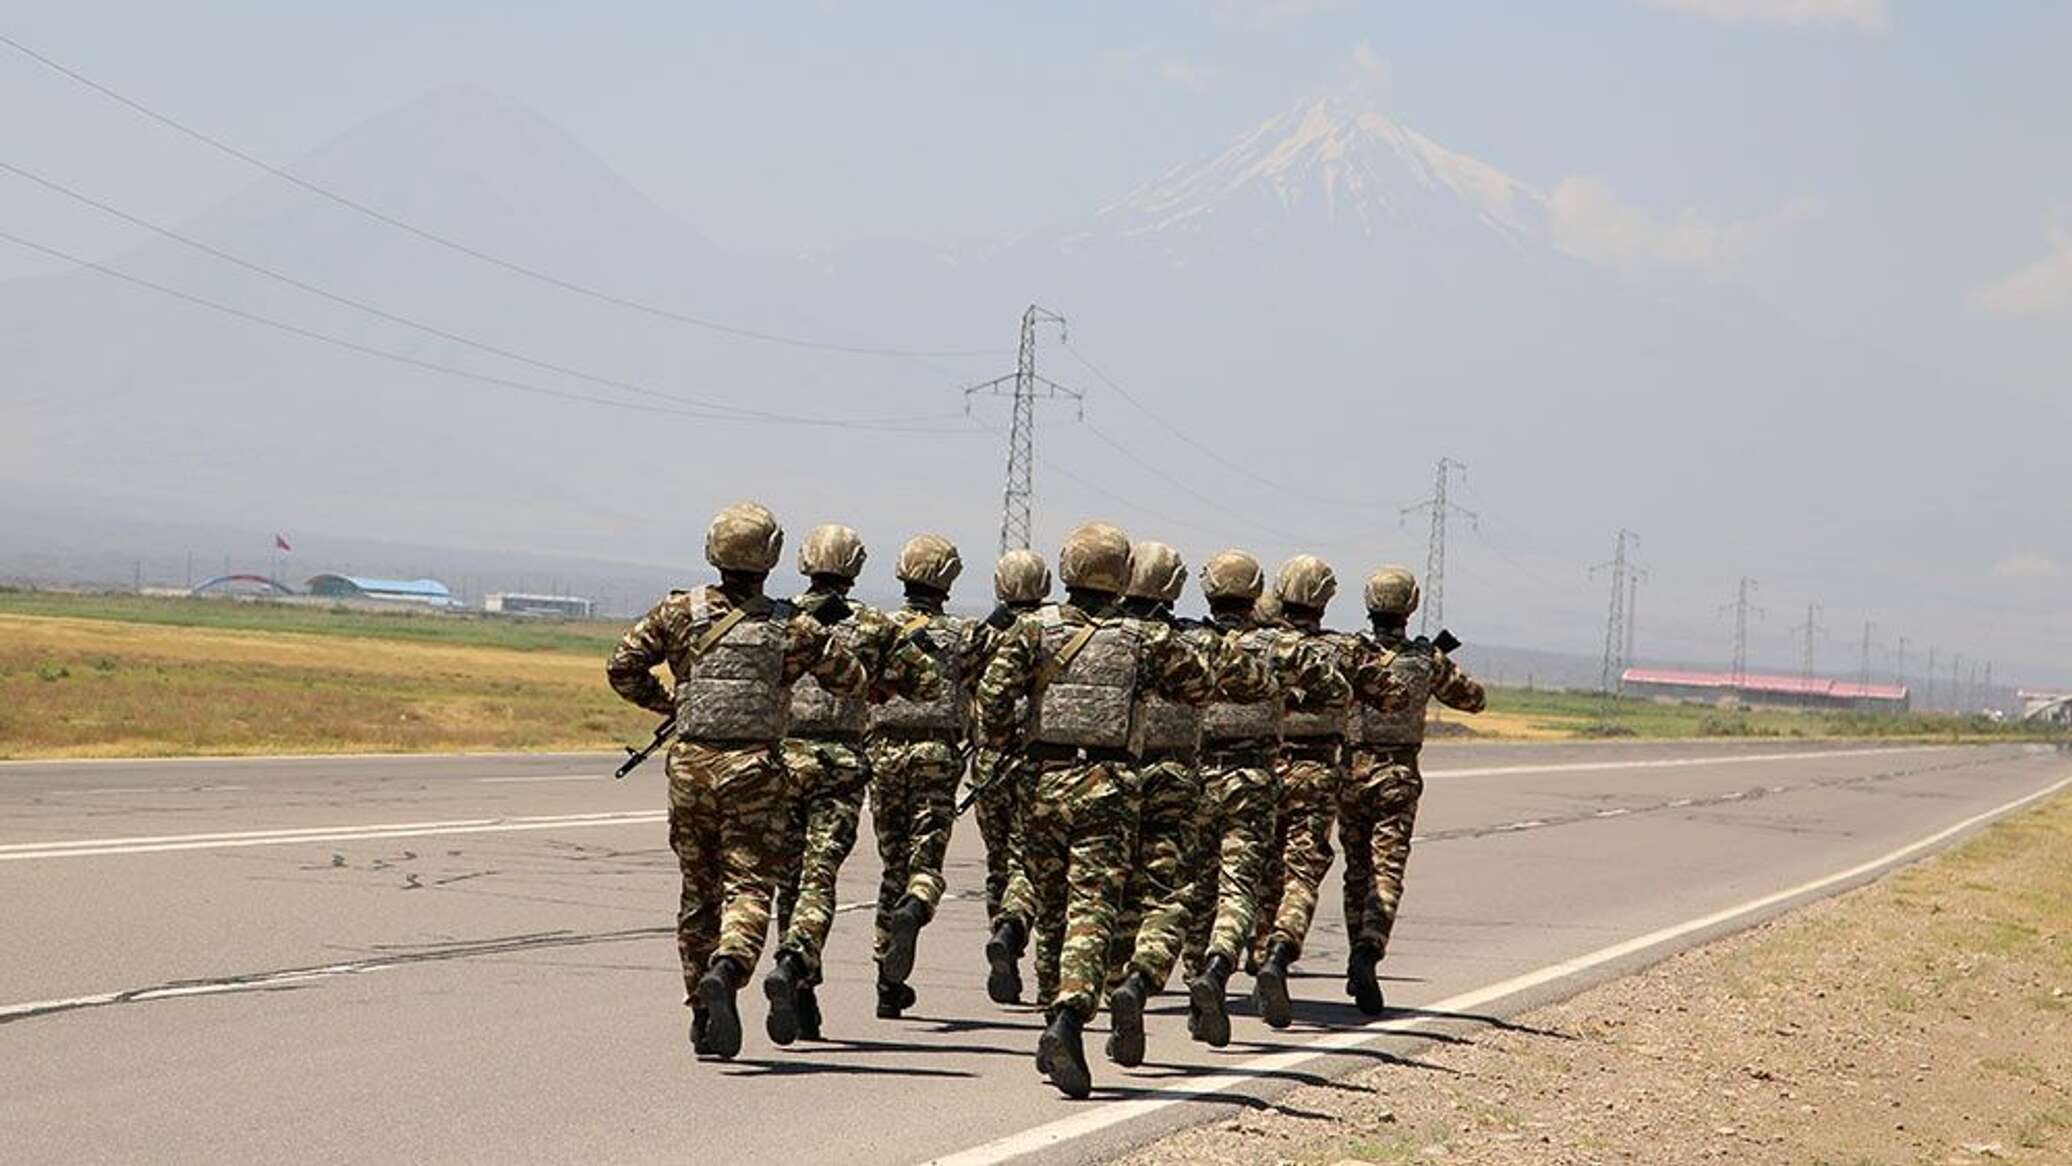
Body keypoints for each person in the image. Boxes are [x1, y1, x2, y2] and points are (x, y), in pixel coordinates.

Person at [604, 502, 864, 1061]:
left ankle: (702, 1009)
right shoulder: (788, 624)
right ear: (771, 556)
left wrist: (672, 701)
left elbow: (622, 667)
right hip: (754, 769)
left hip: (691, 768)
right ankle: (731, 964)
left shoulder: (678, 613)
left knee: (698, 891)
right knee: (748, 886)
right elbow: (849, 678)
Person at [973, 521, 1215, 1099]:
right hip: (1109, 783)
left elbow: (992, 699)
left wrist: (1014, 744)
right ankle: (1071, 1017)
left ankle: (1050, 1023)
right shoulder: (1142, 639)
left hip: (1043, 783)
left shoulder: (1032, 630)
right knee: (1093, 907)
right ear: (1121, 574)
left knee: (1053, 906)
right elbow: (1199, 687)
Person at [766, 524, 942, 1044]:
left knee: (789, 880)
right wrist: (879, 684)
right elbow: (927, 683)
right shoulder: (871, 625)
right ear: (857, 567)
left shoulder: (775, 618)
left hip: (781, 759)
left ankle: (801, 991)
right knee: (819, 877)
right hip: (839, 762)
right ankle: (796, 962)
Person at [1180, 550, 1351, 1048]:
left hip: (1200, 776)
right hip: (1277, 775)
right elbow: (1337, 692)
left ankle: (1202, 979)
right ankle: (1275, 953)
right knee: (1287, 873)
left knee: (1198, 883)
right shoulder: (1292, 649)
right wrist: (1288, 696)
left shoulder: (1187, 641)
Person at [1338, 565, 1485, 1014]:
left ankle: (1356, 953)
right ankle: (1367, 951)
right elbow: (1473, 699)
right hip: (1397, 774)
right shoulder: (1426, 660)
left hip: (1350, 773)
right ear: (1410, 607)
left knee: (1356, 870)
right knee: (1387, 871)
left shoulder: (1347, 654)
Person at [1103, 541, 1216, 1067]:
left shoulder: (1101, 637)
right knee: (1170, 893)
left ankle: (1109, 993)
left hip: (1113, 777)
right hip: (1173, 777)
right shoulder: (1178, 643)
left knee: (1114, 893)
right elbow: (1222, 686)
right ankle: (1142, 979)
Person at [866, 534, 987, 1018]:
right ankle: (916, 908)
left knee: (892, 863)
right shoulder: (966, 635)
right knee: (924, 862)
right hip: (937, 751)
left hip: (884, 751)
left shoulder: (878, 629)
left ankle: (886, 984)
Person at [1250, 554, 1361, 1029]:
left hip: (1261, 767)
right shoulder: (1343, 652)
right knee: (1302, 870)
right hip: (1315, 771)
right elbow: (1384, 692)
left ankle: (1251, 950)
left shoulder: (1254, 645)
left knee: (1256, 864)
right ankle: (1278, 950)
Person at [971, 548, 1050, 1005]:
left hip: (990, 759)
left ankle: (1005, 942)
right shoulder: (1049, 632)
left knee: (999, 860)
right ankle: (1013, 927)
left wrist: (991, 740)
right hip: (1034, 758)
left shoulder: (984, 633)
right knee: (1028, 859)